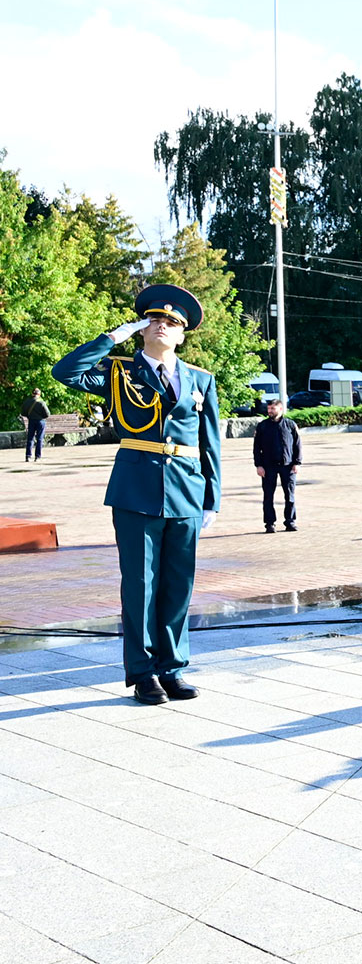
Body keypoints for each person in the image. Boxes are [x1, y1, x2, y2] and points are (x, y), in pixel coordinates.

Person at [51, 284, 223, 706]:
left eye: (172, 323)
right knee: (140, 586)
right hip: (136, 491)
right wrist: (111, 338)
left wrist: (212, 498)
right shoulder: (120, 373)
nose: (163, 325)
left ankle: (173, 668)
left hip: (186, 490)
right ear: (142, 329)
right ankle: (144, 673)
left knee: (178, 586)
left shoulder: (201, 380)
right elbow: (65, 372)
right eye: (155, 320)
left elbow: (210, 444)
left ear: (182, 335)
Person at [253, 397, 302, 532]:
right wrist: (259, 465)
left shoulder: (290, 425)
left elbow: (297, 445)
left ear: (280, 409)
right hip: (268, 466)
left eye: (272, 408)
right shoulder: (262, 426)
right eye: (269, 408)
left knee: (290, 495)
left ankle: (290, 522)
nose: (270, 411)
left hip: (288, 465)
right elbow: (256, 448)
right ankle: (269, 523)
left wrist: (297, 463)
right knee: (268, 496)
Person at [20, 387, 50, 462]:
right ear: (39, 394)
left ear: (32, 394)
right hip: (40, 421)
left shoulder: (27, 402)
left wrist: (29, 416)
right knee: (39, 438)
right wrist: (41, 417)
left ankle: (28, 456)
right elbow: (47, 414)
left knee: (30, 438)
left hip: (31, 421)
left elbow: (23, 413)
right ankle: (37, 456)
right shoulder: (41, 402)